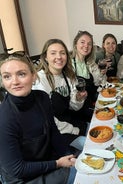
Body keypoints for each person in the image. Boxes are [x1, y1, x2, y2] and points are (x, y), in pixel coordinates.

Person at [0, 51, 76, 183]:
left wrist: (67, 156)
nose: (15, 82)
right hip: (22, 178)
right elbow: (17, 169)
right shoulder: (4, 118)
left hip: (46, 161)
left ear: (33, 76)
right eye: (7, 77)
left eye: (21, 74)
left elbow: (53, 132)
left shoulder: (43, 98)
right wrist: (58, 163)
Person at [33, 39, 88, 152]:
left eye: (62, 53)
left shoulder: (68, 76)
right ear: (45, 57)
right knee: (90, 146)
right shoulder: (40, 79)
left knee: (98, 132)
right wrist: (74, 130)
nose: (59, 57)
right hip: (56, 131)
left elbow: (74, 108)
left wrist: (78, 99)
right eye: (53, 53)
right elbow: (47, 119)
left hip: (70, 121)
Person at [71, 30, 105, 108]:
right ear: (76, 44)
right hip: (78, 107)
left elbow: (98, 83)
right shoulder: (69, 64)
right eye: (82, 42)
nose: (86, 46)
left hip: (92, 103)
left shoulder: (91, 63)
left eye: (89, 44)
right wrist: (78, 97)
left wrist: (102, 73)